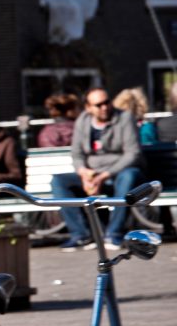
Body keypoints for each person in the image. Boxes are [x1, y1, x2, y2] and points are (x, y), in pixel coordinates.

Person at [50, 87, 146, 251]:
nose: (104, 107)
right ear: (88, 107)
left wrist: (103, 176)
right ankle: (80, 235)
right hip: (92, 174)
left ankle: (114, 233)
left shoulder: (124, 118)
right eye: (98, 104)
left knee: (128, 176)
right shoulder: (83, 121)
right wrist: (83, 174)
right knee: (59, 181)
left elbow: (132, 154)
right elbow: (77, 154)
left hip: (120, 173)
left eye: (107, 102)